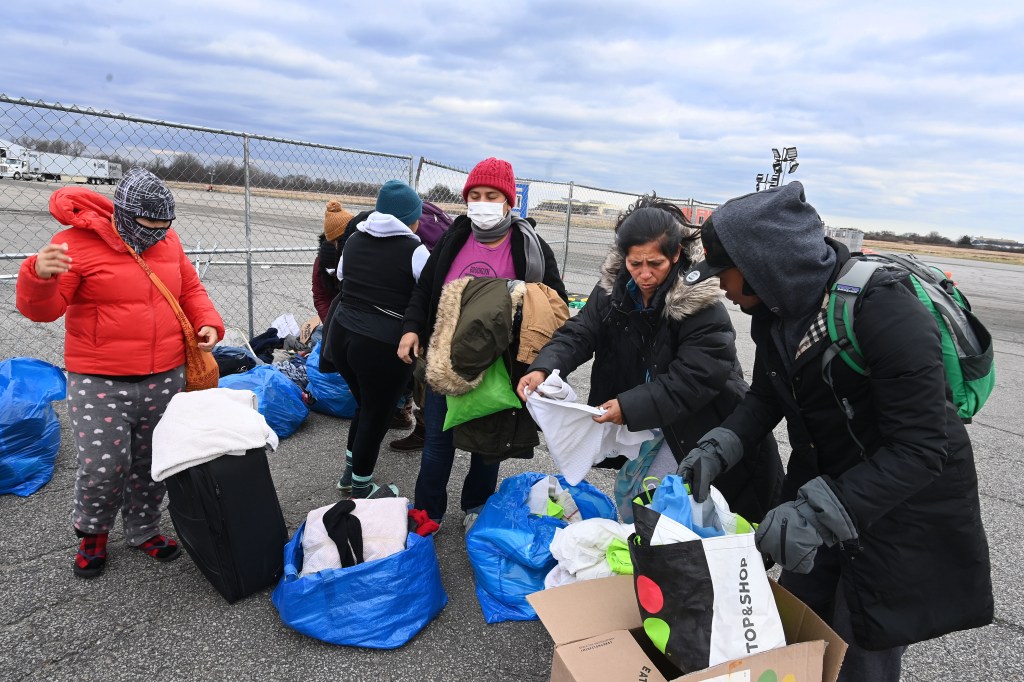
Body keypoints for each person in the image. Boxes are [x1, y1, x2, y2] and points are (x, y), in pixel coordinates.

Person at [678, 181, 993, 681]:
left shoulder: (883, 310)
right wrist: (722, 444)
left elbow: (922, 447)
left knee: (860, 650)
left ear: (763, 266)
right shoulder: (776, 312)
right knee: (800, 629)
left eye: (725, 274)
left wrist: (819, 511)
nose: (723, 288)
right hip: (821, 497)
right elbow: (765, 396)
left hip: (895, 510)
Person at [518, 195, 781, 523]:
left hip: (693, 424)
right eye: (634, 263)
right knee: (636, 502)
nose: (644, 274)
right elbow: (580, 332)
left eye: (654, 264)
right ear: (623, 258)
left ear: (675, 254)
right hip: (644, 417)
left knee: (668, 511)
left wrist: (627, 407)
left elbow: (694, 378)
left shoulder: (701, 306)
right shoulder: (612, 291)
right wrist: (544, 367)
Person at [16, 167, 225, 578]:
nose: (158, 234)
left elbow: (189, 290)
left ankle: (144, 528)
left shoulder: (168, 241)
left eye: (166, 226)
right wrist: (37, 276)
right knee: (103, 465)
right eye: (150, 226)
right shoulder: (73, 244)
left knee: (152, 461)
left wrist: (208, 322)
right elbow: (43, 311)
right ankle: (93, 533)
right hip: (99, 379)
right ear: (125, 216)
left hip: (165, 373)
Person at [398, 157, 568, 531]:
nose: (481, 202)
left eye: (492, 195)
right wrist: (412, 327)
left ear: (508, 201)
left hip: (499, 365)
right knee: (437, 443)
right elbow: (425, 289)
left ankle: (477, 506)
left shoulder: (531, 247)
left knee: (488, 447)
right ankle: (429, 513)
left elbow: (556, 301)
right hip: (446, 358)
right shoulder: (453, 238)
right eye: (475, 194)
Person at [326, 180, 429, 499]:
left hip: (343, 336)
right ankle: (361, 486)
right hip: (383, 344)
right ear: (411, 217)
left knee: (364, 405)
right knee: (377, 413)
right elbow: (428, 292)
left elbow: (342, 277)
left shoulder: (355, 238)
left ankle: (349, 472)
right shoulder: (415, 250)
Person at [311, 199, 353, 322]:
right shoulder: (323, 261)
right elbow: (321, 297)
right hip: (337, 314)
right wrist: (330, 323)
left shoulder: (361, 254)